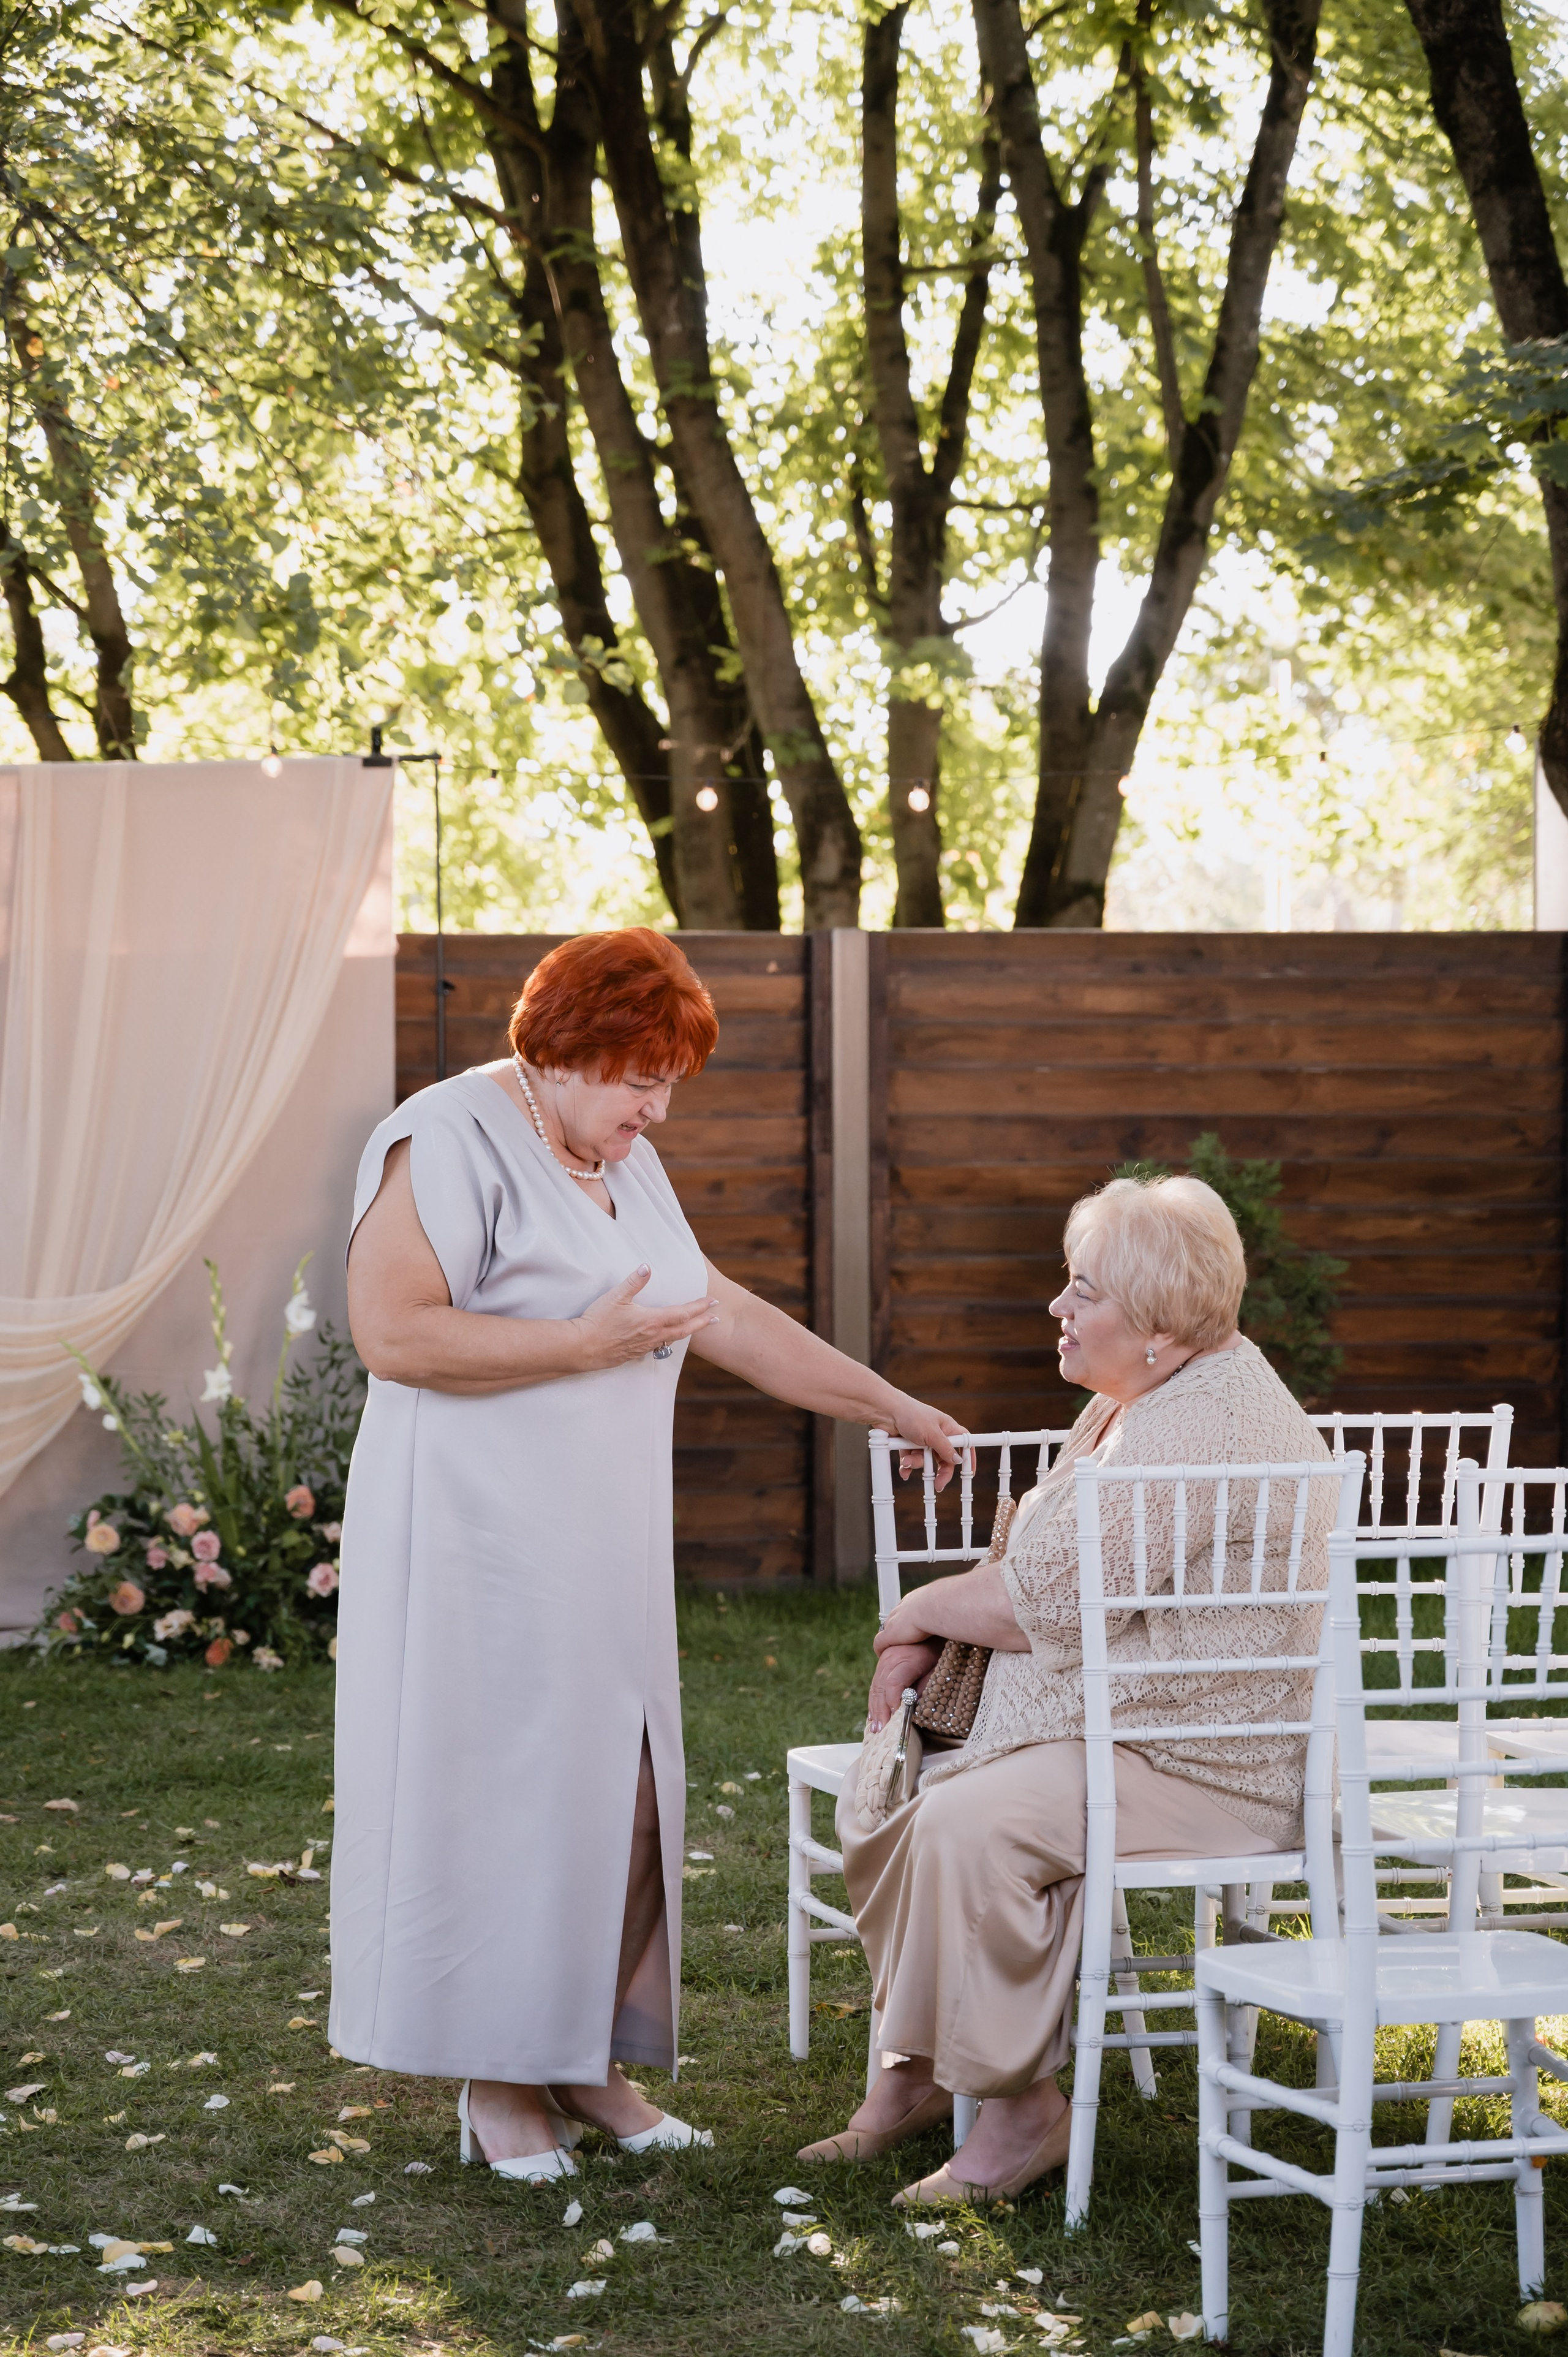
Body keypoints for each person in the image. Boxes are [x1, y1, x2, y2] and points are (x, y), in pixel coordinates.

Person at [330, 927, 965, 2184]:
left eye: (670, 1080)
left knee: (623, 1795)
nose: (658, 1108)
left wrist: (888, 1403)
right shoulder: (444, 1134)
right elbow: (390, 1332)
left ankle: (582, 2061)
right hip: (476, 1538)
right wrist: (577, 1347)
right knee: (507, 1801)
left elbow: (715, 1308)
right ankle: (498, 2081)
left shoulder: (617, 1157)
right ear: (559, 1051)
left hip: (600, 1540)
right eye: (639, 1077)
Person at [797, 1173, 1334, 2204]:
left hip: (1207, 1761)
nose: (1059, 1307)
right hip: (1132, 1729)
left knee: (967, 1825)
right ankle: (914, 2073)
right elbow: (1049, 1586)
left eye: (1084, 1291)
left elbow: (1041, 1608)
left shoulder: (1197, 1430)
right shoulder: (1140, 1402)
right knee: (905, 1799)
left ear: (1161, 1326)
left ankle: (1019, 2113)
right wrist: (929, 1621)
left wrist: (911, 1617)